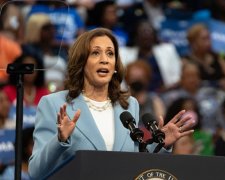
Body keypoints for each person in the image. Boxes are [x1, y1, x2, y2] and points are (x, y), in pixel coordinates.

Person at [28, 28, 194, 179]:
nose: (104, 60)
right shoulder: (54, 103)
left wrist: (161, 144)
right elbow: (36, 171)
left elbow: (134, 163)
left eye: (110, 53)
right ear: (81, 61)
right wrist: (60, 140)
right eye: (95, 53)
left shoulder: (128, 105)